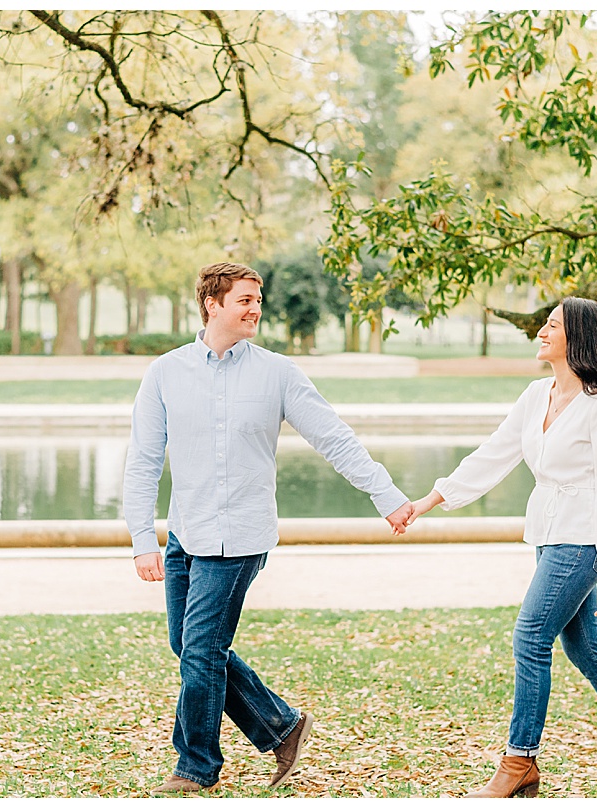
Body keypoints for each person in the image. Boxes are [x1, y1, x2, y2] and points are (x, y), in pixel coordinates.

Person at [123, 262, 415, 794]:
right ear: (212, 304)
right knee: (187, 645)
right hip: (186, 534)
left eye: (258, 299)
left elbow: (334, 436)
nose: (256, 308)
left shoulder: (277, 373)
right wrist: (144, 539)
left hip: (241, 537)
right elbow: (142, 459)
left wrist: (386, 494)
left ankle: (195, 767)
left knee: (201, 651)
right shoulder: (165, 372)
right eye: (245, 300)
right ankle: (282, 726)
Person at [405, 297, 597, 798]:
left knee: (530, 636)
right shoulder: (536, 395)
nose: (542, 331)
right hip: (550, 534)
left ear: (578, 337)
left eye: (553, 325)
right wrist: (429, 500)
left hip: (586, 539)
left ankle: (520, 759)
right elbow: (493, 456)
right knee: (581, 644)